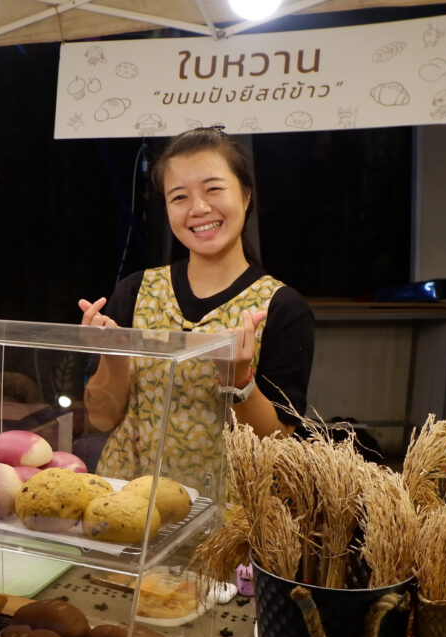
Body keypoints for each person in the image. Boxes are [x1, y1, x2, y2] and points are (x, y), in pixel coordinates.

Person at [78, 126, 314, 486]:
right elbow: (101, 419)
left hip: (225, 510)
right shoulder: (135, 291)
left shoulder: (283, 307)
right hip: (129, 500)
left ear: (246, 195)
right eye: (179, 197)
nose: (199, 208)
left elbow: (278, 442)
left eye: (213, 189)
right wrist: (113, 356)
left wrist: (238, 379)